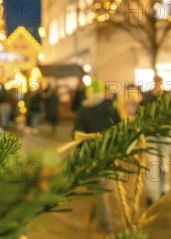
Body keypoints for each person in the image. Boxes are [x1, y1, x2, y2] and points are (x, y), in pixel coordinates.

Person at [74, 84, 121, 235]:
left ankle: (106, 226)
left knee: (99, 191)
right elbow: (120, 129)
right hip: (109, 154)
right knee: (100, 188)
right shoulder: (111, 109)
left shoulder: (83, 111)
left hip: (91, 156)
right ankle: (95, 217)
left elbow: (77, 135)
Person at [140, 75, 171, 205]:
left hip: (164, 134)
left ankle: (163, 188)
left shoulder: (166, 96)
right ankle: (152, 194)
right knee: (152, 164)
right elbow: (141, 114)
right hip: (151, 135)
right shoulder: (147, 97)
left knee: (163, 163)